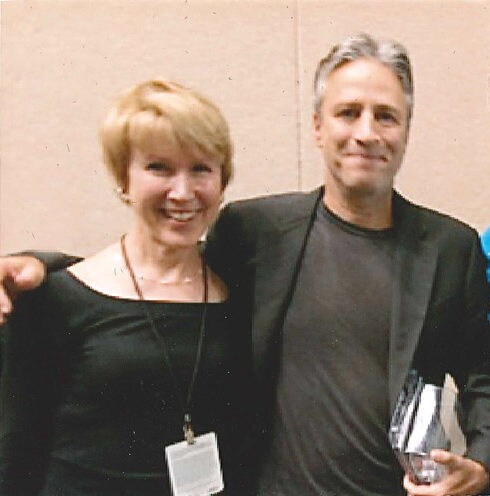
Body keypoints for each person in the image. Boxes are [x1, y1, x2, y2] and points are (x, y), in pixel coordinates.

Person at [1, 33, 489, 496]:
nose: (366, 133)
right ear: (318, 126)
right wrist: (41, 269)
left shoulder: (451, 248)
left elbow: (483, 376)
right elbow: (152, 275)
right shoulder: (254, 232)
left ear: (406, 130)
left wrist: (482, 463)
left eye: (386, 116)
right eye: (348, 112)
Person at [0, 79, 256, 495]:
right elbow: (16, 450)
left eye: (200, 169)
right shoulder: (59, 297)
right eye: (160, 168)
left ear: (222, 181)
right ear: (123, 178)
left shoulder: (243, 292)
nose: (182, 192)